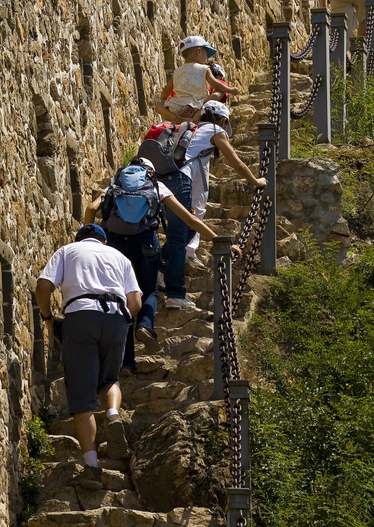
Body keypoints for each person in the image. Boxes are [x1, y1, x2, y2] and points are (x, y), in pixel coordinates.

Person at [84, 155, 242, 368]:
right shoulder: (156, 186)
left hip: (114, 245)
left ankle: (126, 363)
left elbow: (91, 210)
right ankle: (146, 326)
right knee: (148, 290)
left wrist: (87, 243)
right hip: (146, 243)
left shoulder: (114, 185)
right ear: (150, 172)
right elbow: (190, 219)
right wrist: (220, 241)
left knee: (119, 298)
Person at [35, 223, 141, 490]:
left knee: (82, 398)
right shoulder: (120, 258)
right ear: (104, 241)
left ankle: (92, 469)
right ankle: (114, 412)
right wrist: (121, 322)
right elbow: (136, 302)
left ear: (79, 238)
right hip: (116, 318)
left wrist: (48, 318)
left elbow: (43, 286)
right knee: (109, 378)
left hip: (80, 316)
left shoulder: (67, 251)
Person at [183, 100, 267, 262]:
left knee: (189, 210)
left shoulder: (191, 128)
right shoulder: (215, 130)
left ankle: (178, 256)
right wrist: (256, 181)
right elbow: (237, 164)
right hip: (186, 175)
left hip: (172, 174)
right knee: (195, 210)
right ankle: (187, 253)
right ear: (223, 120)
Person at [155, 35, 239, 123]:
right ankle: (192, 120)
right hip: (196, 107)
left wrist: (165, 100)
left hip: (176, 106)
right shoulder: (204, 69)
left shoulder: (177, 72)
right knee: (206, 104)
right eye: (206, 53)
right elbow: (216, 85)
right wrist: (230, 90)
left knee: (159, 106)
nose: (206, 58)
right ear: (198, 51)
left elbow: (165, 91)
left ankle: (175, 117)